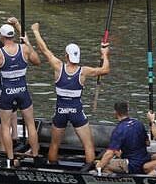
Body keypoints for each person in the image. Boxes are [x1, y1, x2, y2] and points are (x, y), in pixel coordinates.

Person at [31, 23, 109, 166]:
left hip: (60, 111)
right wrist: (104, 54)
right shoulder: (84, 71)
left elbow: (44, 49)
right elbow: (105, 70)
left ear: (66, 55)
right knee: (88, 145)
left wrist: (35, 31)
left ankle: (52, 166)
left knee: (55, 144)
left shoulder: (58, 66)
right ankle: (91, 170)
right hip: (76, 112)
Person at [0, 21, 42, 163]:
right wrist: (28, 43)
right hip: (22, 90)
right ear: (13, 36)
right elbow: (37, 61)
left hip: (7, 93)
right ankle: (35, 155)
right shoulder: (25, 49)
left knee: (5, 126)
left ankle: (10, 158)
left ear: (2, 38)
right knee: (30, 124)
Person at [95, 101, 149, 175]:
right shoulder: (139, 123)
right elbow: (147, 143)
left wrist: (99, 165)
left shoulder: (119, 130)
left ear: (116, 112)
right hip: (144, 159)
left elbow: (109, 154)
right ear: (127, 110)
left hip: (132, 165)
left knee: (103, 165)